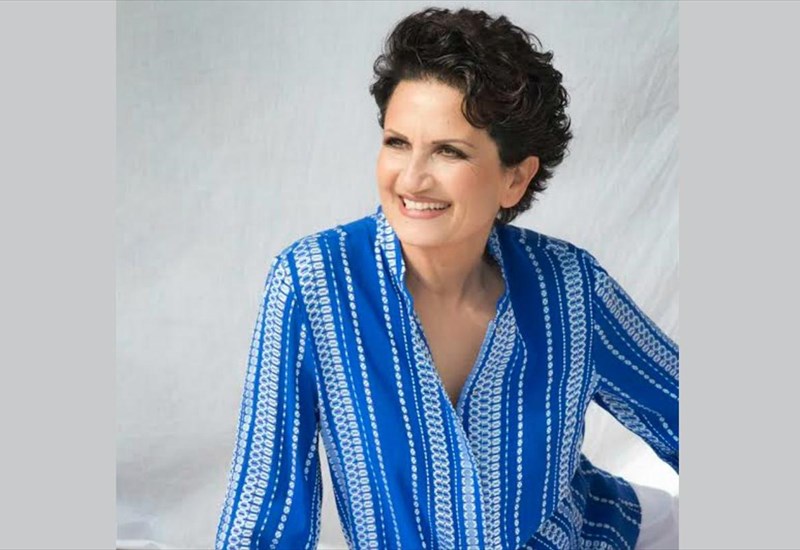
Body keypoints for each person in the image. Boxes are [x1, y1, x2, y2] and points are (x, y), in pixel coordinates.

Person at [215, 7, 678, 550]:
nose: (411, 178)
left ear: (515, 178)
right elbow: (266, 511)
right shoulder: (313, 283)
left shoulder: (570, 289)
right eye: (397, 142)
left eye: (449, 151)